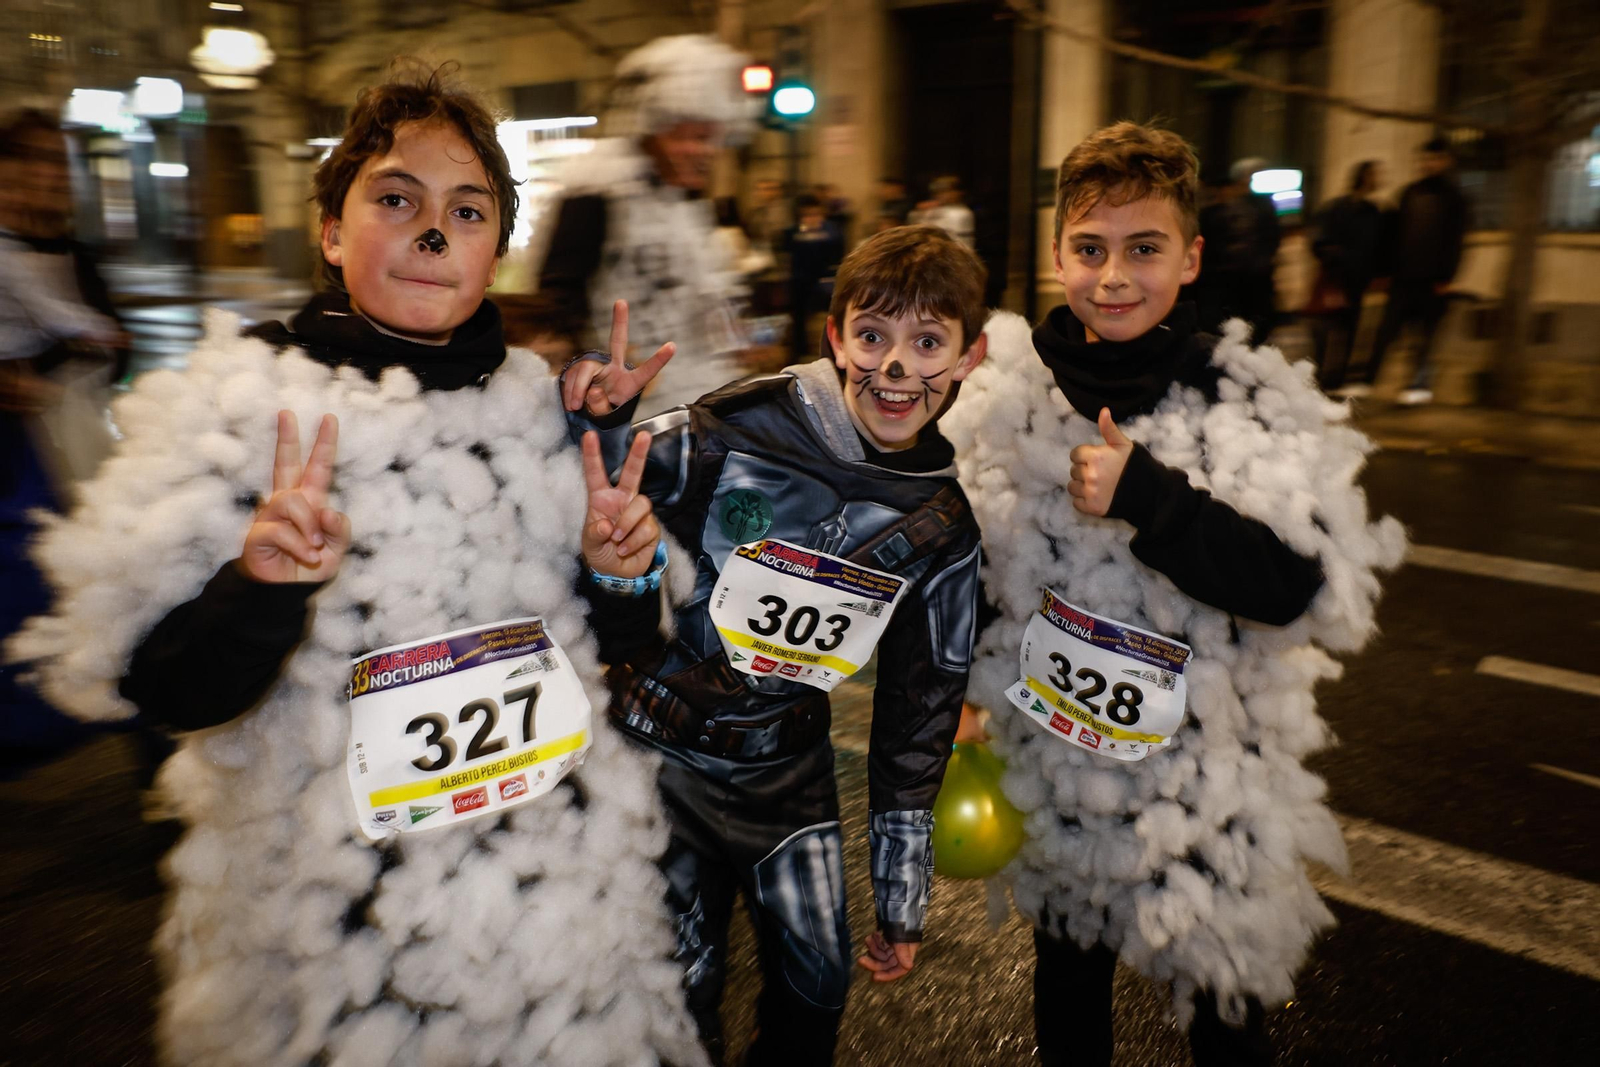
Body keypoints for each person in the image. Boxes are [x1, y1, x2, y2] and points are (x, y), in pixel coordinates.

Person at [7, 64, 708, 1067]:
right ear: (332, 231)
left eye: (466, 211)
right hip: (338, 937)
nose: (432, 234)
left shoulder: (539, 408)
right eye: (395, 200)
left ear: (492, 249)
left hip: (551, 918)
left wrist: (622, 572)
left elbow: (622, 646)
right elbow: (167, 690)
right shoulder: (239, 407)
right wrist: (261, 587)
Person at [941, 122, 1405, 1067]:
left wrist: (1147, 497)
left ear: (1190, 258)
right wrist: (963, 695)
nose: (1114, 277)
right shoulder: (1010, 394)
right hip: (1059, 754)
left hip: (1204, 779)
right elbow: (978, 561)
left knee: (1223, 1013)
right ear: (1058, 256)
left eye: (1143, 249)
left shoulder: (1248, 396)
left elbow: (1293, 586)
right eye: (1091, 250)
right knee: (1068, 985)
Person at [566, 224, 989, 1066]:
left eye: (927, 342)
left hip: (790, 778)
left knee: (816, 991)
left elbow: (921, 707)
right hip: (661, 760)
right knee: (675, 994)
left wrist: (901, 895)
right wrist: (591, 415)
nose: (896, 369)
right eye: (873, 337)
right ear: (836, 337)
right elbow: (590, 500)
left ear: (970, 356)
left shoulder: (943, 524)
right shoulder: (733, 430)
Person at [537, 34, 757, 417]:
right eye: (692, 136)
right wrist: (594, 365)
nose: (705, 153)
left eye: (712, 139)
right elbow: (556, 300)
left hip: (694, 409)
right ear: (655, 126)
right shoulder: (597, 189)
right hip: (624, 415)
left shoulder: (684, 200)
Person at [1350, 137, 1470, 404]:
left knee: (1424, 338)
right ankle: (1367, 381)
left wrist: (1446, 277)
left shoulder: (1455, 199)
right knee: (1385, 333)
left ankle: (1419, 385)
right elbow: (1392, 235)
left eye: (1435, 159)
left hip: (1433, 281)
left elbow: (1456, 241)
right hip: (1403, 278)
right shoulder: (1408, 194)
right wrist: (1384, 272)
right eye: (1425, 159)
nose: (1429, 164)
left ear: (1447, 162)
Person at [1308, 160, 1384, 391]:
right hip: (1334, 279)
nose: (1375, 180)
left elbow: (1376, 247)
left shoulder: (1373, 212)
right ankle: (1319, 376)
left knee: (1349, 332)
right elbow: (1318, 240)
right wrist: (1332, 258)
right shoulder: (1337, 208)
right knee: (1325, 331)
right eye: (1371, 175)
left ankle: (1335, 379)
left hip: (1357, 281)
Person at [1191, 157, 1281, 342]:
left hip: (1221, 288)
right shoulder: (1260, 208)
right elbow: (1271, 242)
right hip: (1250, 286)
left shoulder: (1207, 213)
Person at [784, 193, 845, 359]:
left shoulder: (832, 230)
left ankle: (832, 349)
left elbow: (837, 251)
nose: (811, 218)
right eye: (807, 214)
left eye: (815, 214)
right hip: (800, 279)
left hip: (825, 280)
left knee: (832, 317)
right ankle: (798, 351)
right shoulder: (793, 231)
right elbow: (788, 250)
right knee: (799, 318)